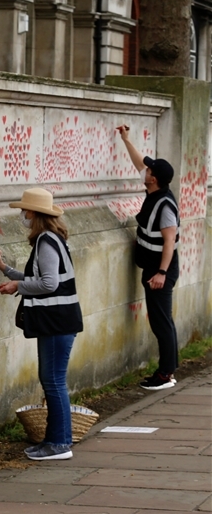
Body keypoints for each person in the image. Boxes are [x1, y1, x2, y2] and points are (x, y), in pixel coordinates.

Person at [0, 188, 84, 461]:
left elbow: (48, 283)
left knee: (54, 382)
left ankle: (60, 444)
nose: (22, 215)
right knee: (52, 381)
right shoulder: (50, 239)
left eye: (24, 211)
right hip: (58, 321)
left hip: (55, 322)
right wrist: (4, 268)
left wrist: (17, 285)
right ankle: (54, 441)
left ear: (35, 214)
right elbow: (39, 277)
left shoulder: (46, 241)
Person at [117, 125, 180, 391]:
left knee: (161, 321)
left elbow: (169, 242)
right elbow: (139, 161)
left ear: (153, 179)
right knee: (160, 320)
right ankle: (168, 370)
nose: (145, 170)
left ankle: (166, 374)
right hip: (153, 268)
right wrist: (126, 139)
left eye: (149, 170)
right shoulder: (154, 191)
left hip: (160, 270)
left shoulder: (164, 205)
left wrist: (162, 274)